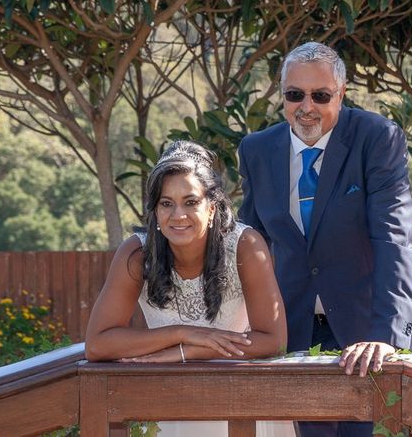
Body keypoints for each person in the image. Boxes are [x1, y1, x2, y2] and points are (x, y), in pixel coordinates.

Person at [238, 42, 412, 437]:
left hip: (368, 331)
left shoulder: (377, 138)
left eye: (320, 95)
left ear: (341, 94)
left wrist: (385, 337)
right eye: (295, 95)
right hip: (293, 335)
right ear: (282, 95)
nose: (306, 106)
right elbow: (248, 245)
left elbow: (393, 237)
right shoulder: (256, 150)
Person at [85, 141, 292, 437]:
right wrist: (180, 333)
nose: (177, 215)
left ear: (212, 207)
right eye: (166, 203)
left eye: (190, 202)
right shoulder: (136, 254)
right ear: (155, 211)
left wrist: (188, 352)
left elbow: (273, 341)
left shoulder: (245, 246)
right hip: (167, 406)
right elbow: (97, 344)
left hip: (240, 404)